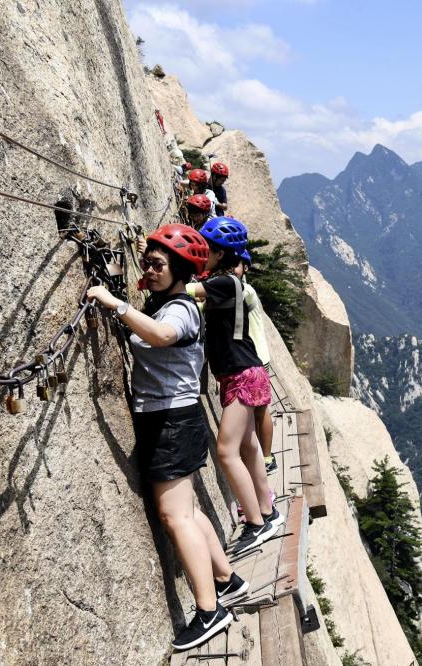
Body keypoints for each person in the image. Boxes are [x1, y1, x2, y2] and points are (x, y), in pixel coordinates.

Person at [86, 224, 249, 651]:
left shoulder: (180, 309)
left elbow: (161, 335)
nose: (150, 270)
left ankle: (210, 611)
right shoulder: (165, 301)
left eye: (159, 265)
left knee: (173, 515)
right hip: (175, 418)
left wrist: (114, 303)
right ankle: (226, 579)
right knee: (188, 510)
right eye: (149, 263)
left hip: (172, 421)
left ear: (180, 270)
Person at [189, 216, 284, 555]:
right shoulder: (230, 282)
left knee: (227, 453)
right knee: (248, 448)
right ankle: (269, 512)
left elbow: (187, 291)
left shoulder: (225, 283)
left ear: (218, 253)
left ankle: (256, 523)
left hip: (241, 374)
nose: (202, 255)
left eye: (206, 250)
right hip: (245, 372)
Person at [235, 249, 277, 474]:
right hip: (257, 356)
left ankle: (267, 457)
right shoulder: (242, 288)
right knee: (260, 411)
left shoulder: (245, 290)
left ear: (246, 267)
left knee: (260, 412)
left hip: (256, 359)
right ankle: (265, 456)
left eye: (237, 263)